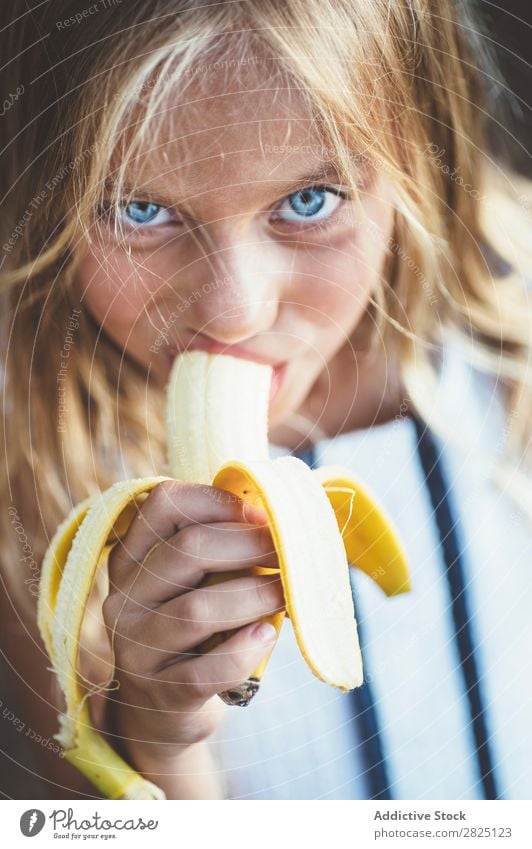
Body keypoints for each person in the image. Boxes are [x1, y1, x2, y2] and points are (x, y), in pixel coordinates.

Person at [0, 0, 531, 801]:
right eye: (138, 210)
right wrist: (154, 733)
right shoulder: (38, 471)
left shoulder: (511, 351)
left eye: (309, 200)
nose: (233, 310)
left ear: (419, 157)